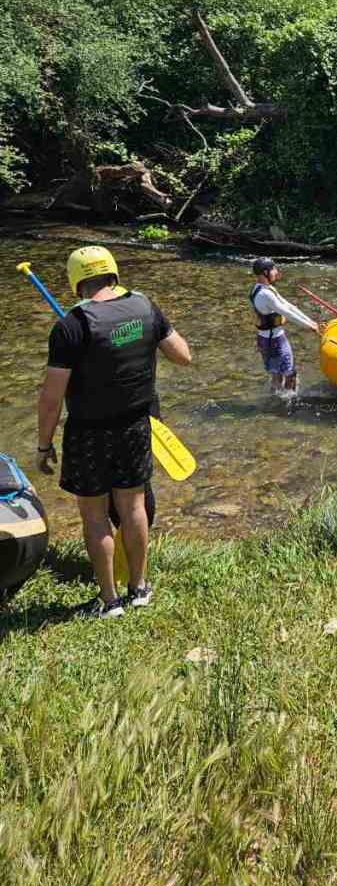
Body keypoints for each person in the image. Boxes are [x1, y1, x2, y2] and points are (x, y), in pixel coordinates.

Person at [35, 246, 192, 619]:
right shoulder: (145, 306)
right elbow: (183, 356)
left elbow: (50, 398)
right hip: (137, 425)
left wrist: (44, 445)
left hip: (88, 432)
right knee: (134, 506)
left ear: (77, 281)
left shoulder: (71, 325)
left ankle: (109, 602)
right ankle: (139, 588)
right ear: (113, 273)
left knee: (94, 516)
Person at [250, 257, 320, 395]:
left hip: (264, 340)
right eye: (273, 269)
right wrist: (309, 327)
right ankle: (290, 401)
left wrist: (311, 322)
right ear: (265, 273)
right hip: (275, 341)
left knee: (276, 374)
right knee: (290, 373)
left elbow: (289, 306)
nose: (276, 272)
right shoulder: (266, 294)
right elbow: (286, 312)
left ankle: (276, 401)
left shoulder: (258, 289)